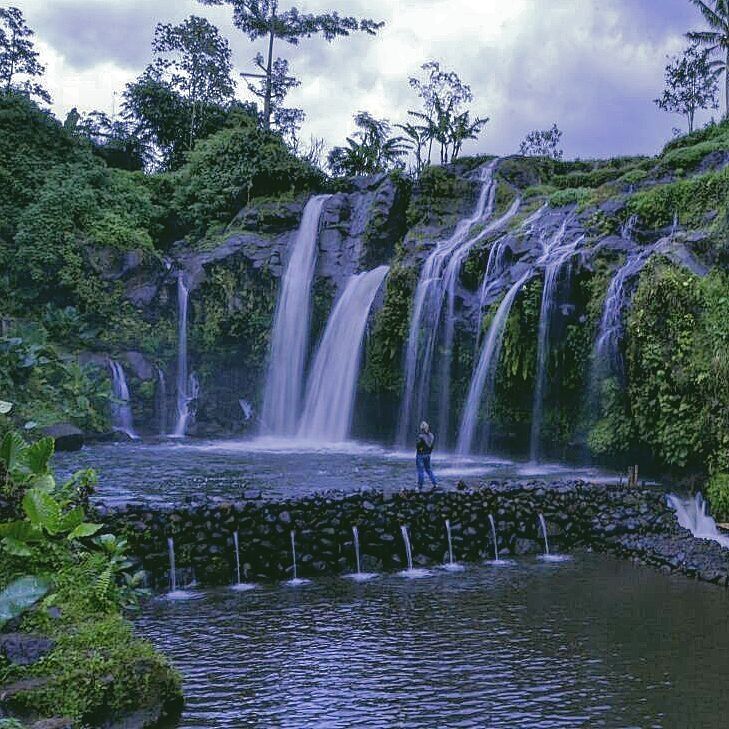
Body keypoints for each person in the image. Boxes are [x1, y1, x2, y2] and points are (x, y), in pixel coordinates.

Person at [415, 421, 437, 488]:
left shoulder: (421, 436)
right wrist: (429, 452)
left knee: (420, 471)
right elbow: (432, 446)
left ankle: (420, 486)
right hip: (428, 455)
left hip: (420, 455)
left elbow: (418, 446)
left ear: (422, 429)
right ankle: (435, 484)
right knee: (429, 470)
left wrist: (419, 448)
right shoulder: (432, 436)